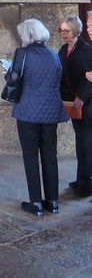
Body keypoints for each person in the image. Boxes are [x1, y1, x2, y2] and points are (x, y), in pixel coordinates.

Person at [8, 18, 68, 217]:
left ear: (27, 35)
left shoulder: (22, 54)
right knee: (50, 155)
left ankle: (36, 202)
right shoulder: (53, 54)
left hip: (28, 112)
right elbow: (58, 79)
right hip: (51, 112)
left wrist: (7, 72)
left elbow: (14, 77)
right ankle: (53, 201)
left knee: (31, 156)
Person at [59, 15, 92, 196]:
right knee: (81, 142)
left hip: (86, 104)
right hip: (72, 101)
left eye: (67, 31)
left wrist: (81, 96)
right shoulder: (64, 50)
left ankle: (86, 184)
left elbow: (89, 79)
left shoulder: (86, 50)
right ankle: (82, 179)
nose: (63, 34)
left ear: (76, 31)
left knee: (86, 144)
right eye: (61, 30)